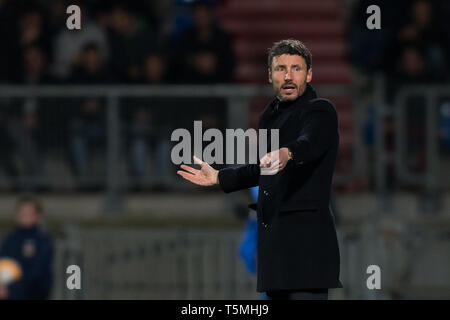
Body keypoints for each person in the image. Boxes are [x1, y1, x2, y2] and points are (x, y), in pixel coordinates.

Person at [177, 39, 342, 300]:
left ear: (309, 74)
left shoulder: (320, 110)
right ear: (269, 75)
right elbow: (264, 169)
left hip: (306, 252)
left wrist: (288, 153)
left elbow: (308, 143)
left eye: (296, 68)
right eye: (280, 69)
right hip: (274, 254)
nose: (288, 76)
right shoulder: (268, 117)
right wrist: (222, 177)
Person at [0, 195, 53, 300]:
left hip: (32, 292)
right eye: (22, 212)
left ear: (38, 216)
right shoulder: (10, 239)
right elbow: (3, 261)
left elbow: (36, 273)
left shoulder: (42, 240)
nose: (25, 216)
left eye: (29, 213)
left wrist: (12, 288)